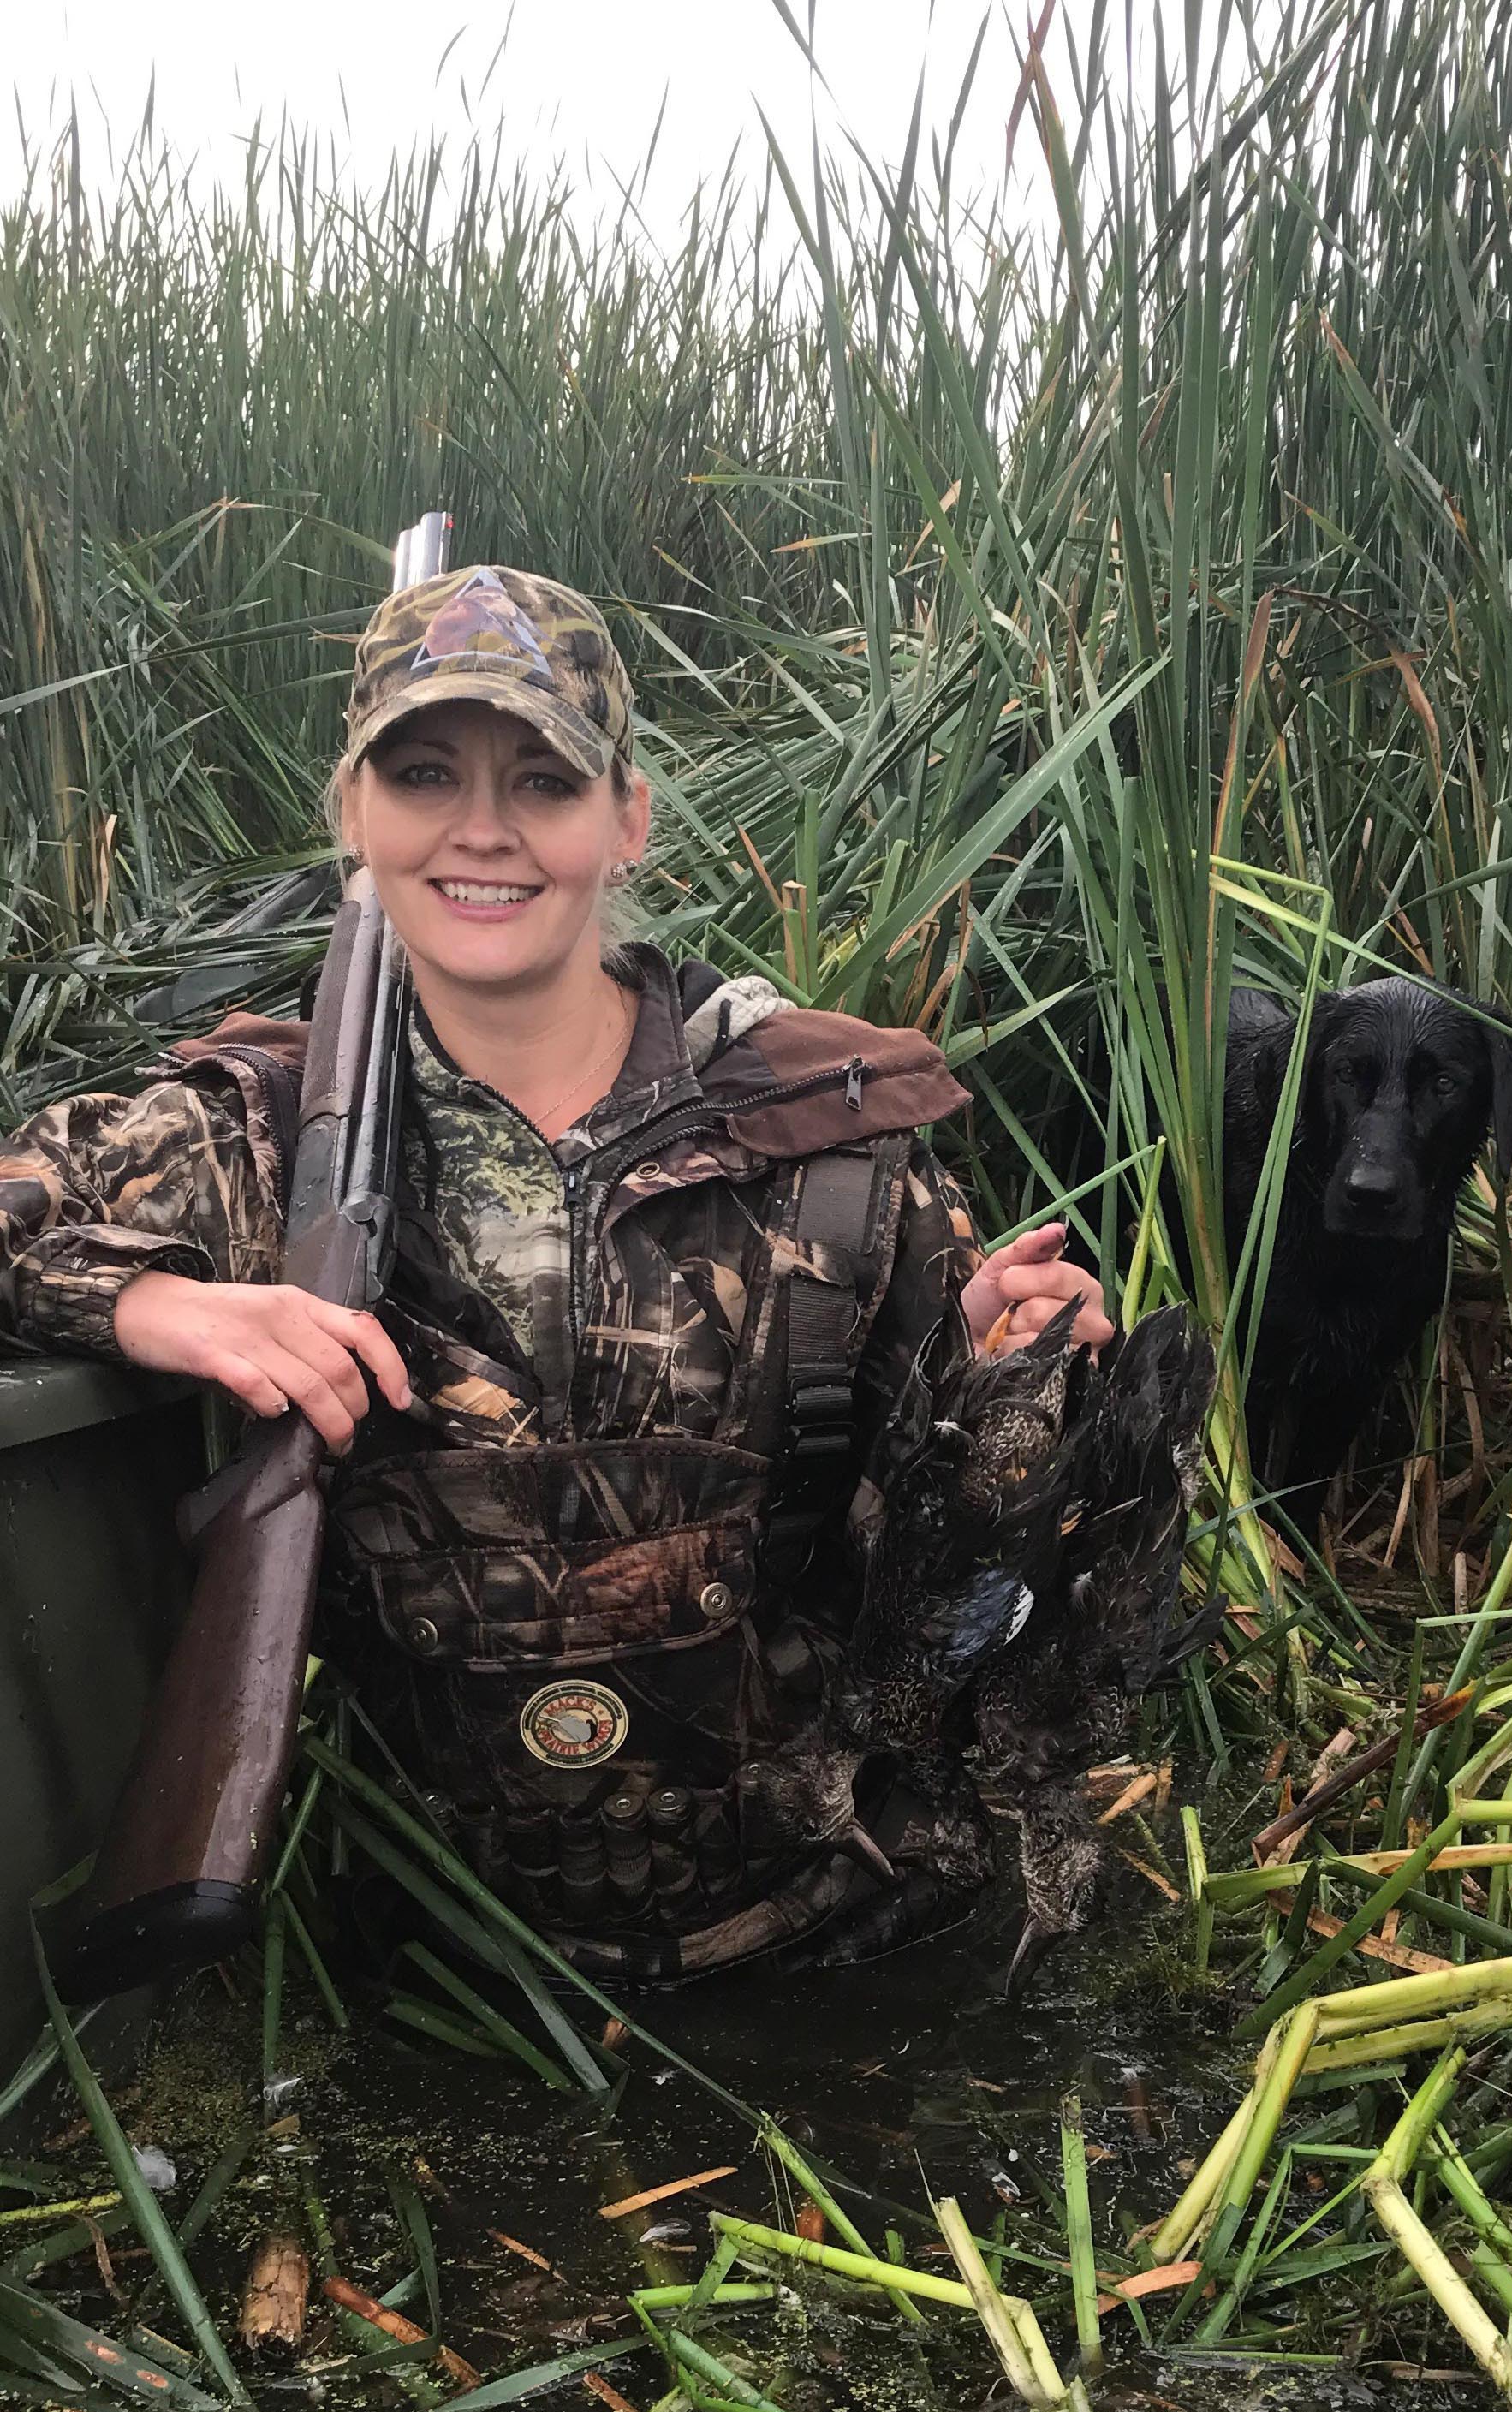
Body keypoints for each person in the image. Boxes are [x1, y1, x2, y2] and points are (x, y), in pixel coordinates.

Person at [0, 563, 1110, 1980]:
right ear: (352, 817)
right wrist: (157, 1302)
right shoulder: (250, 1144)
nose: (480, 829)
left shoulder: (818, 1120)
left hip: (841, 1938)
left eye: (542, 779)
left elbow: (957, 1590)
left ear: (626, 816)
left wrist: (1007, 1370)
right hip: (441, 1975)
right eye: (421, 774)